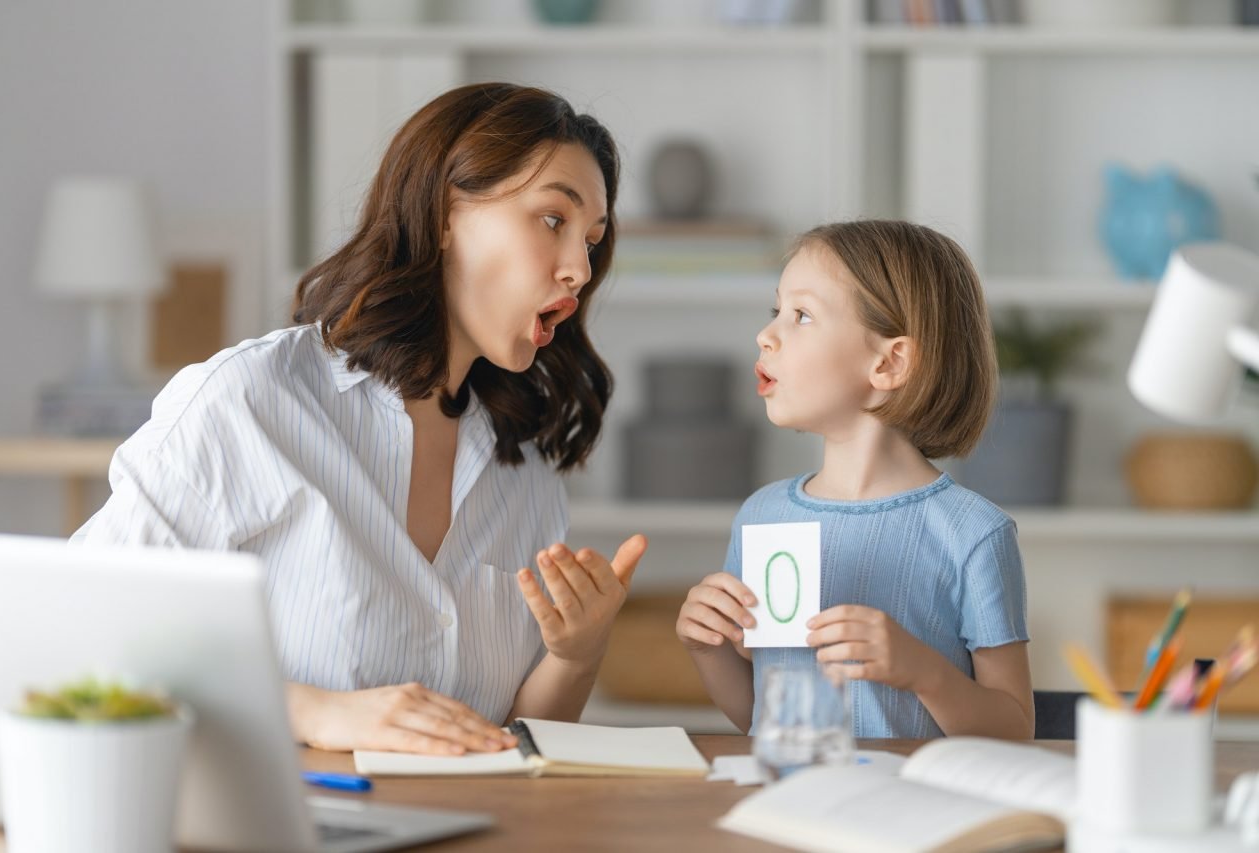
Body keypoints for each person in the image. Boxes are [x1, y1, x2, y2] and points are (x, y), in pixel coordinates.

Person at [73, 82, 648, 755]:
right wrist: (313, 712)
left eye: (592, 242)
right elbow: (86, 621)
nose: (579, 269)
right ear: (443, 214)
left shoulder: (526, 470)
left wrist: (576, 654)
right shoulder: (252, 400)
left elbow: (514, 742)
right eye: (553, 220)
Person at [675, 220, 1033, 739]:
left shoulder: (974, 533)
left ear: (889, 362)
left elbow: (1015, 730)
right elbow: (760, 717)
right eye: (776, 312)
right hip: (791, 790)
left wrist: (923, 671)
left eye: (801, 315)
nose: (765, 335)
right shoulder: (761, 516)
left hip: (909, 793)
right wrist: (706, 650)